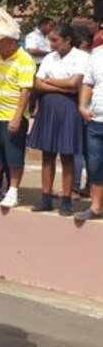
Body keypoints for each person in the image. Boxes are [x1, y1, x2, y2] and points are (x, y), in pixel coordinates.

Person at [28, 24, 90, 216]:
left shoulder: (82, 57)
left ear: (68, 40)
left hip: (69, 108)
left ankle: (66, 200)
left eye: (55, 40)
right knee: (47, 154)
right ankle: (46, 197)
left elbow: (74, 83)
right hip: (48, 107)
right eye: (50, 40)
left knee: (67, 155)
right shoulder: (48, 57)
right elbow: (36, 83)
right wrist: (61, 87)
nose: (51, 44)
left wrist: (49, 82)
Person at [0, 33, 35, 209]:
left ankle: (13, 191)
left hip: (11, 116)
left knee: (14, 157)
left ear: (11, 43)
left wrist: (17, 117)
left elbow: (26, 90)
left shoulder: (24, 60)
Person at [76, 31, 103, 222]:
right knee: (94, 166)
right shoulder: (96, 54)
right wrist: (82, 107)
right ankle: (95, 207)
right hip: (96, 120)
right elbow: (87, 83)